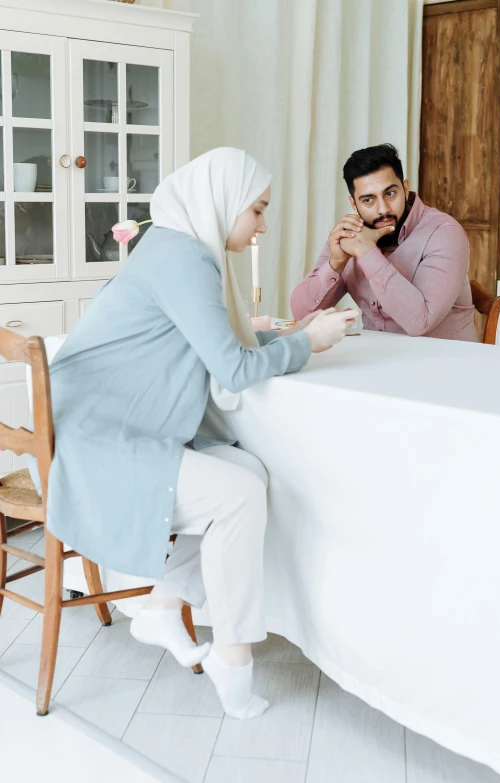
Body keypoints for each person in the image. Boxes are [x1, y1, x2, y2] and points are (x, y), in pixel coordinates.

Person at [41, 148, 357, 720]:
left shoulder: (172, 246)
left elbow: (222, 348)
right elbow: (233, 369)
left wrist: (299, 335)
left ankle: (166, 603)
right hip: (96, 445)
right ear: (224, 203)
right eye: (257, 210)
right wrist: (310, 343)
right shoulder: (185, 259)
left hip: (97, 429)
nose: (262, 225)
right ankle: (234, 662)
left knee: (248, 472)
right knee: (235, 494)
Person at [291, 143, 479, 342]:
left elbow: (420, 322)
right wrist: (335, 263)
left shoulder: (444, 233)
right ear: (354, 204)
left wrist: (367, 252)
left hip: (448, 363)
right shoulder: (352, 235)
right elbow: (302, 316)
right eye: (368, 200)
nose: (383, 209)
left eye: (390, 194)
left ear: (405, 189)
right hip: (378, 359)